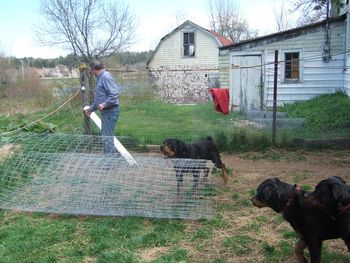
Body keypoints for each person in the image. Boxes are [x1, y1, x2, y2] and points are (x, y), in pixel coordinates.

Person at [85, 60, 120, 154]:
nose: (91, 73)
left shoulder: (105, 76)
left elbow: (114, 94)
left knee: (107, 137)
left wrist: (104, 104)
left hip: (110, 110)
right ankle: (108, 160)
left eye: (91, 71)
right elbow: (100, 98)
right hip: (107, 111)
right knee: (106, 136)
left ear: (93, 69)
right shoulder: (100, 78)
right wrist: (92, 109)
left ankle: (109, 162)